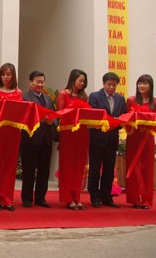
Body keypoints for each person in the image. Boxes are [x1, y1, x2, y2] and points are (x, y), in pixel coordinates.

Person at [0, 63, 22, 211]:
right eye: (3, 74)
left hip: (14, 129)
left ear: (13, 76)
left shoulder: (19, 92)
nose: (5, 77)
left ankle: (8, 198)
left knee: (10, 163)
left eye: (8, 74)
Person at [88, 72, 127, 208]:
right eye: (109, 84)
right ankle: (94, 196)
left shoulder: (121, 99)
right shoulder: (94, 97)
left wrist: (118, 122)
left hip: (112, 138)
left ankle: (106, 196)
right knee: (95, 168)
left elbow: (124, 117)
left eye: (114, 85)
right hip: (97, 137)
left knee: (109, 169)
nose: (111, 87)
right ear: (103, 84)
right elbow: (92, 115)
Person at [20, 70, 57, 209]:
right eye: (37, 81)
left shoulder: (48, 99)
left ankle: (41, 197)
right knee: (28, 170)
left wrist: (52, 122)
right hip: (30, 139)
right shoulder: (24, 97)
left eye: (42, 82)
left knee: (44, 171)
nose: (40, 84)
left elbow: (55, 116)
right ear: (30, 82)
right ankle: (27, 198)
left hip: (46, 140)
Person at [125, 75, 156, 209]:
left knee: (147, 167)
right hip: (133, 136)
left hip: (147, 138)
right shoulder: (131, 100)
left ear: (150, 86)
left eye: (145, 83)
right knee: (133, 166)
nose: (142, 86)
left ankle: (146, 200)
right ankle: (135, 198)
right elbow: (126, 118)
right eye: (140, 83)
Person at [56, 69, 90, 210]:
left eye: (84, 81)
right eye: (80, 80)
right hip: (68, 132)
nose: (82, 84)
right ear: (73, 79)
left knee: (79, 166)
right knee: (68, 165)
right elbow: (60, 114)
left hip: (82, 133)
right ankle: (68, 198)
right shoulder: (63, 94)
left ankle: (77, 196)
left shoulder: (84, 96)